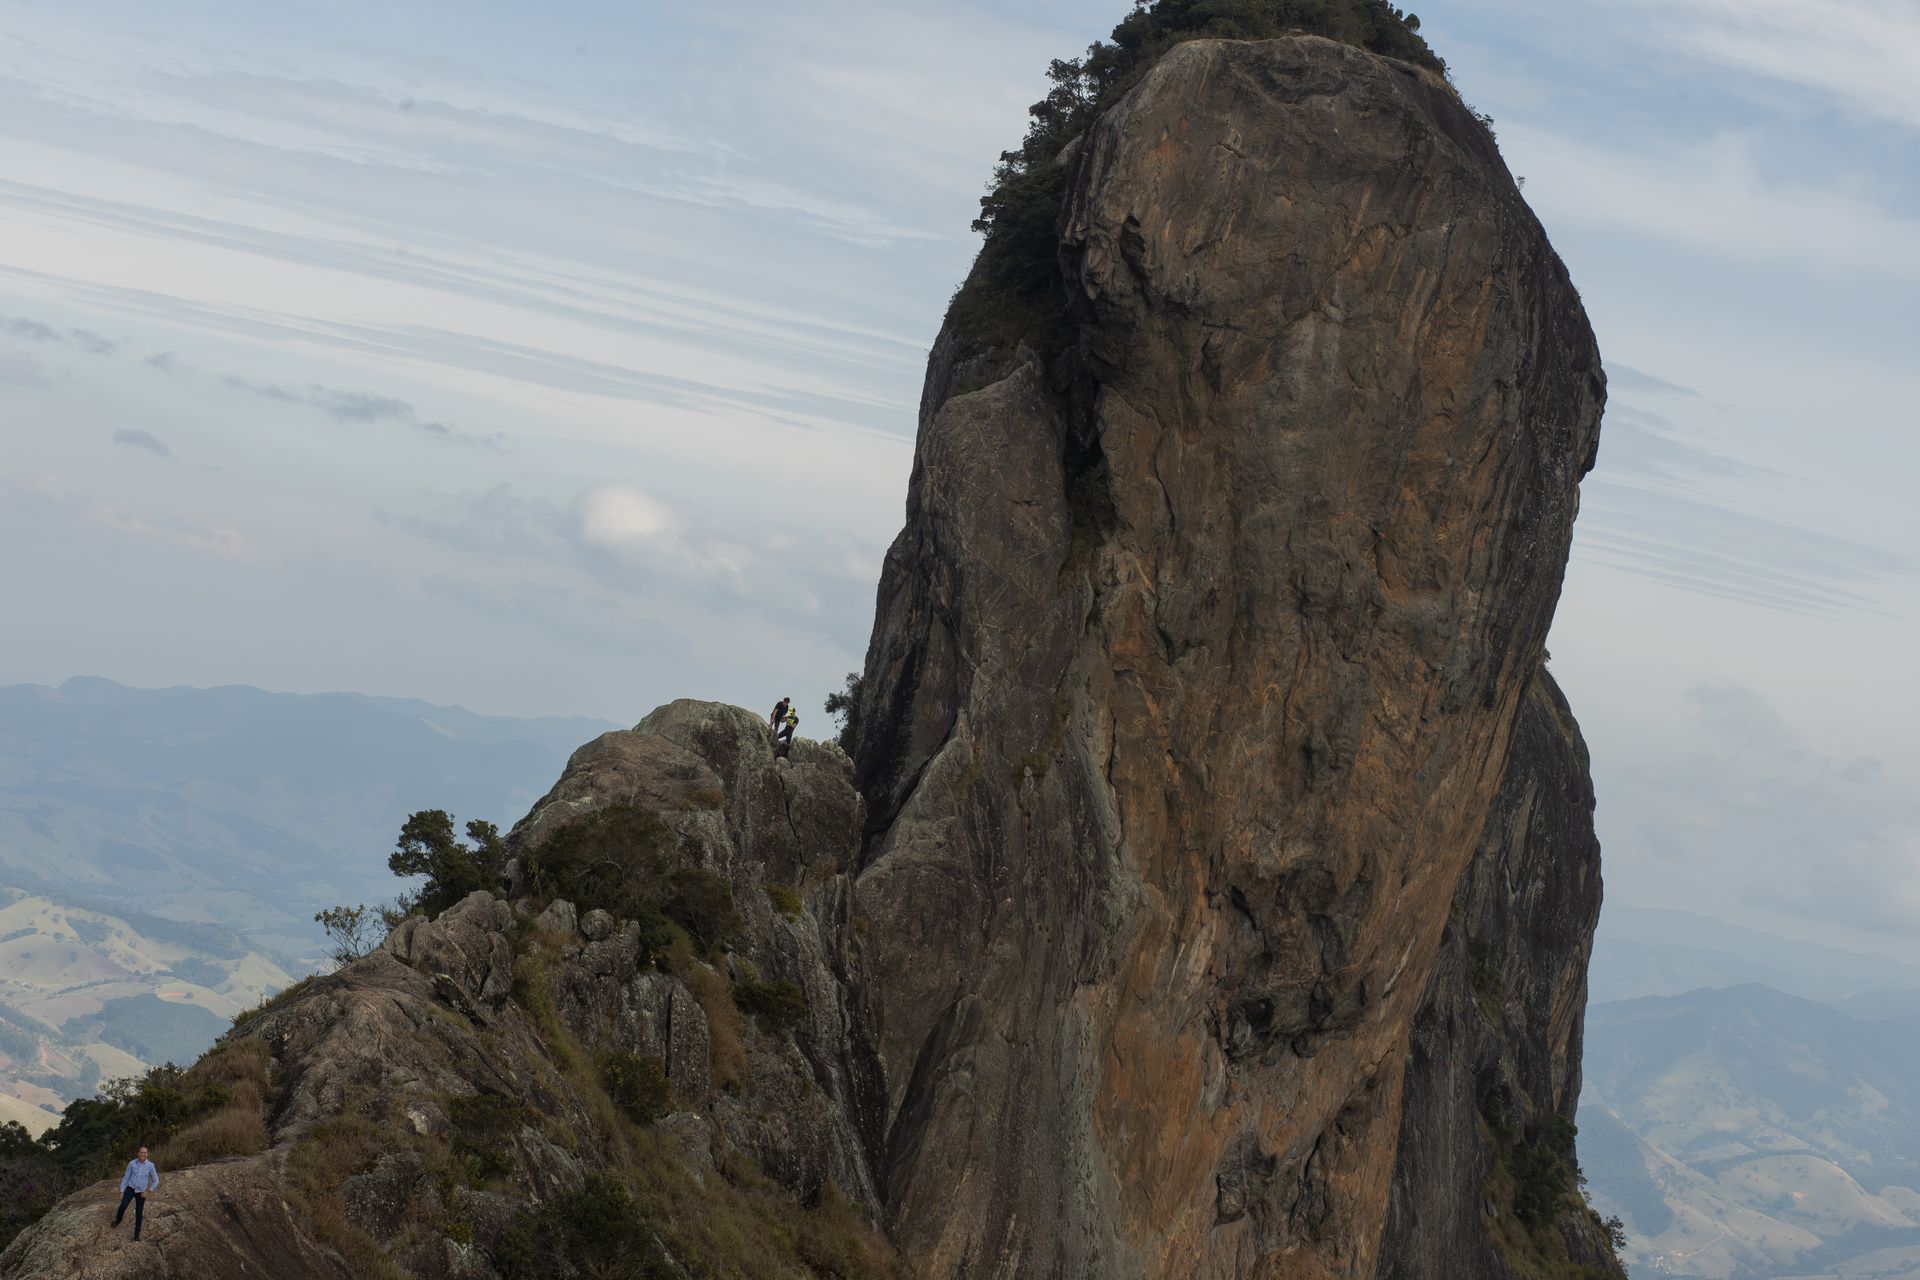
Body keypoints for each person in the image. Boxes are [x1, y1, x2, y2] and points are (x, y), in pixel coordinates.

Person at [113, 1144, 159, 1241]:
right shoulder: (131, 1163)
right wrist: (122, 1191)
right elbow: (126, 1177)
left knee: (139, 1213)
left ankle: (136, 1235)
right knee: (122, 1206)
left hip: (141, 1192)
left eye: (144, 1153)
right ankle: (118, 1220)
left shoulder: (150, 1165)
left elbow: (156, 1180)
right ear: (138, 1153)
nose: (143, 1154)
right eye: (141, 1152)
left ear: (147, 1154)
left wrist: (148, 1191)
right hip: (130, 1189)